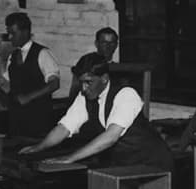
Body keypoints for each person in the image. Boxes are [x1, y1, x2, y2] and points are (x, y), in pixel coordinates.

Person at [21, 53, 173, 171]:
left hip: (153, 165)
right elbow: (64, 128)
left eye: (89, 82)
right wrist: (38, 147)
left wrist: (70, 158)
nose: (83, 88)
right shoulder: (85, 96)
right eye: (81, 82)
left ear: (104, 78)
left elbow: (111, 136)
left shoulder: (126, 94)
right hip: (123, 165)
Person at [0, 12, 59, 138]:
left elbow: (54, 84)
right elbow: (7, 85)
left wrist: (29, 97)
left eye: (13, 33)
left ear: (25, 32)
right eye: (8, 33)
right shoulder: (13, 56)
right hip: (16, 118)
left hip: (38, 118)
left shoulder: (43, 53)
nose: (9, 37)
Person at [69, 27, 120, 99]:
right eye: (104, 43)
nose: (108, 46)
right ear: (96, 44)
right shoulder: (87, 61)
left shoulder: (117, 68)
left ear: (116, 45)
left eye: (111, 43)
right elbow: (75, 88)